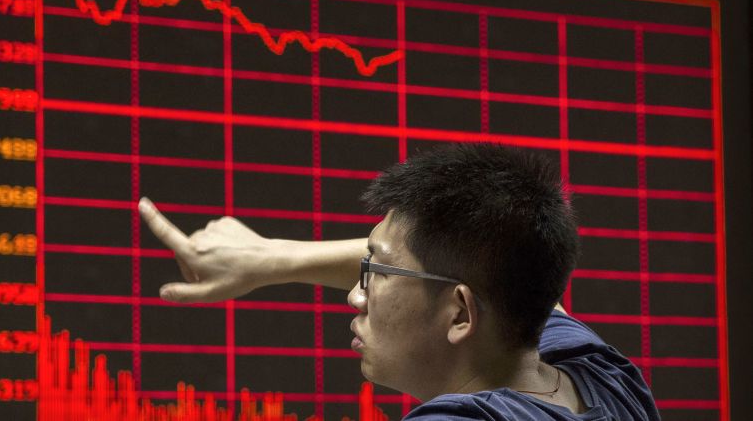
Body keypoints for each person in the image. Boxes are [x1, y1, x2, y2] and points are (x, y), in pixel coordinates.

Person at [137, 143, 659, 420]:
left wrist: (273, 259)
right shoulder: (606, 379)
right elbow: (519, 275)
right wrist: (270, 258)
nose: (355, 294)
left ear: (459, 313)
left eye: (376, 272)